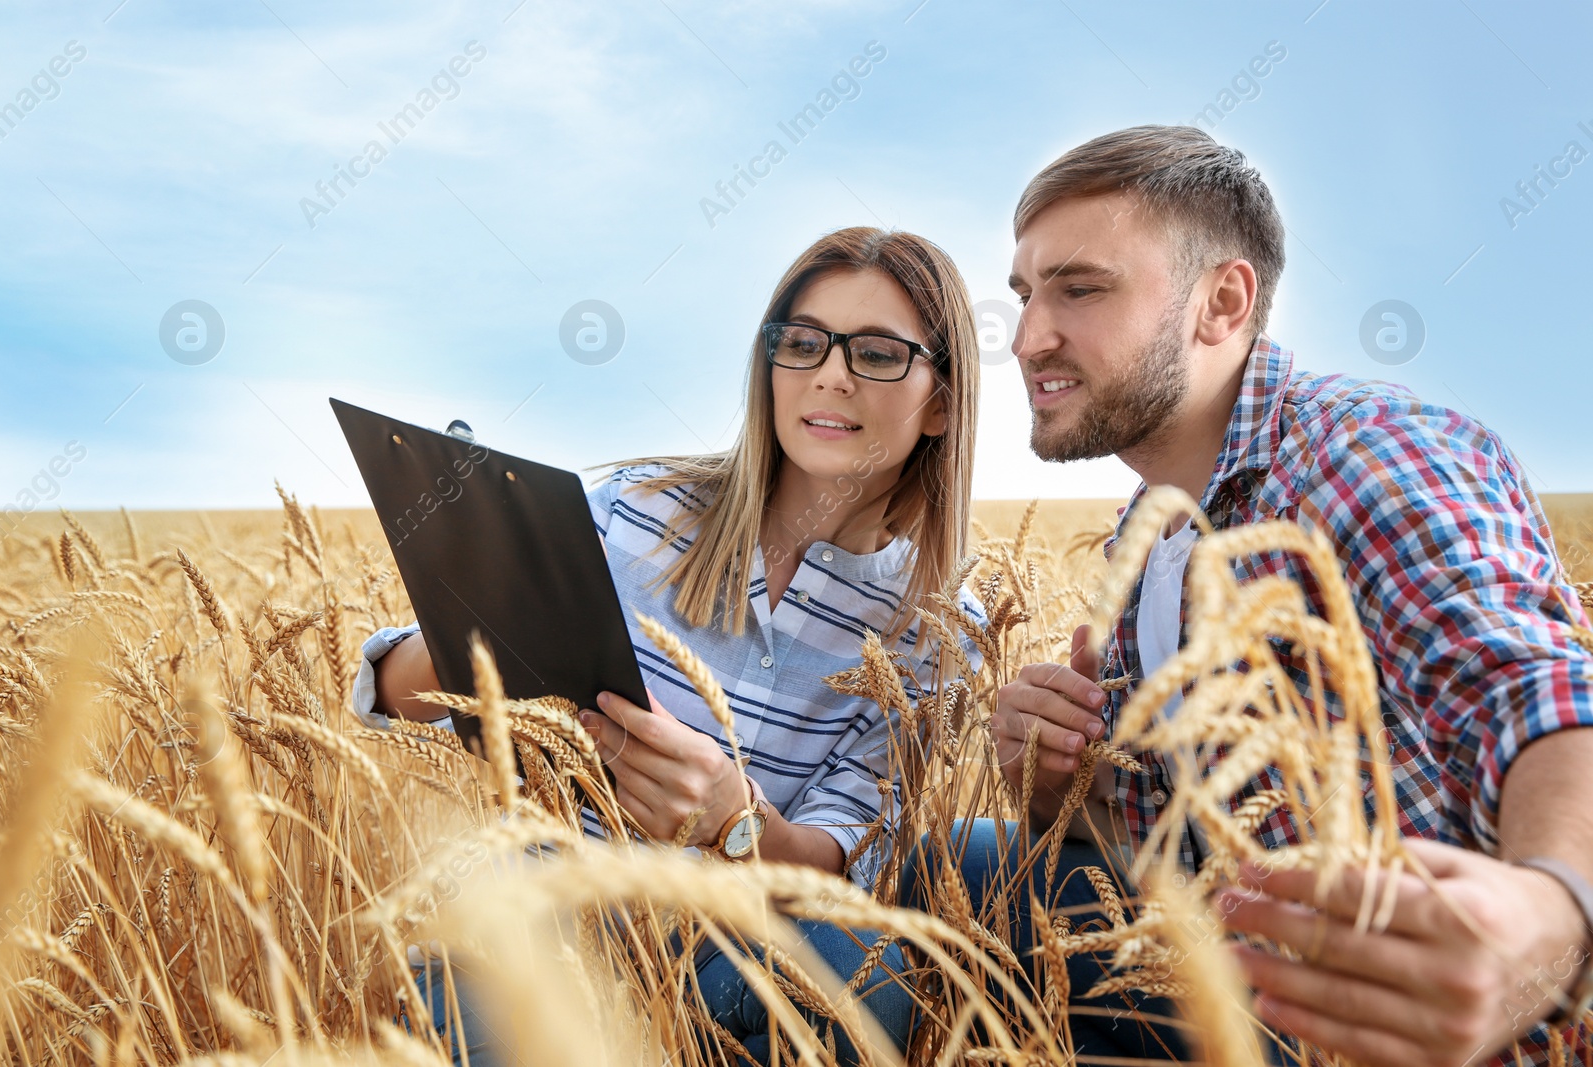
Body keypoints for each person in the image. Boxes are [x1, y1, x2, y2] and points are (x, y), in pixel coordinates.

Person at [956, 125, 1593, 1067]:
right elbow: (1182, 837)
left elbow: (1542, 691)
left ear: (1221, 301)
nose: (1028, 337)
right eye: (1024, 294)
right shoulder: (1152, 531)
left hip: (1421, 1031)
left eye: (1080, 288)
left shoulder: (1365, 453)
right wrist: (1057, 787)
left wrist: (1552, 912)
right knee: (957, 861)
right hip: (1242, 982)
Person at [355, 226, 984, 1066]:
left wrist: (732, 818)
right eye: (802, 343)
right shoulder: (635, 508)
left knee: (858, 974)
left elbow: (838, 864)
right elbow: (398, 697)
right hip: (544, 903)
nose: (830, 373)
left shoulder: (936, 631)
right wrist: (476, 620)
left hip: (730, 943)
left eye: (875, 353)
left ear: (941, 399)